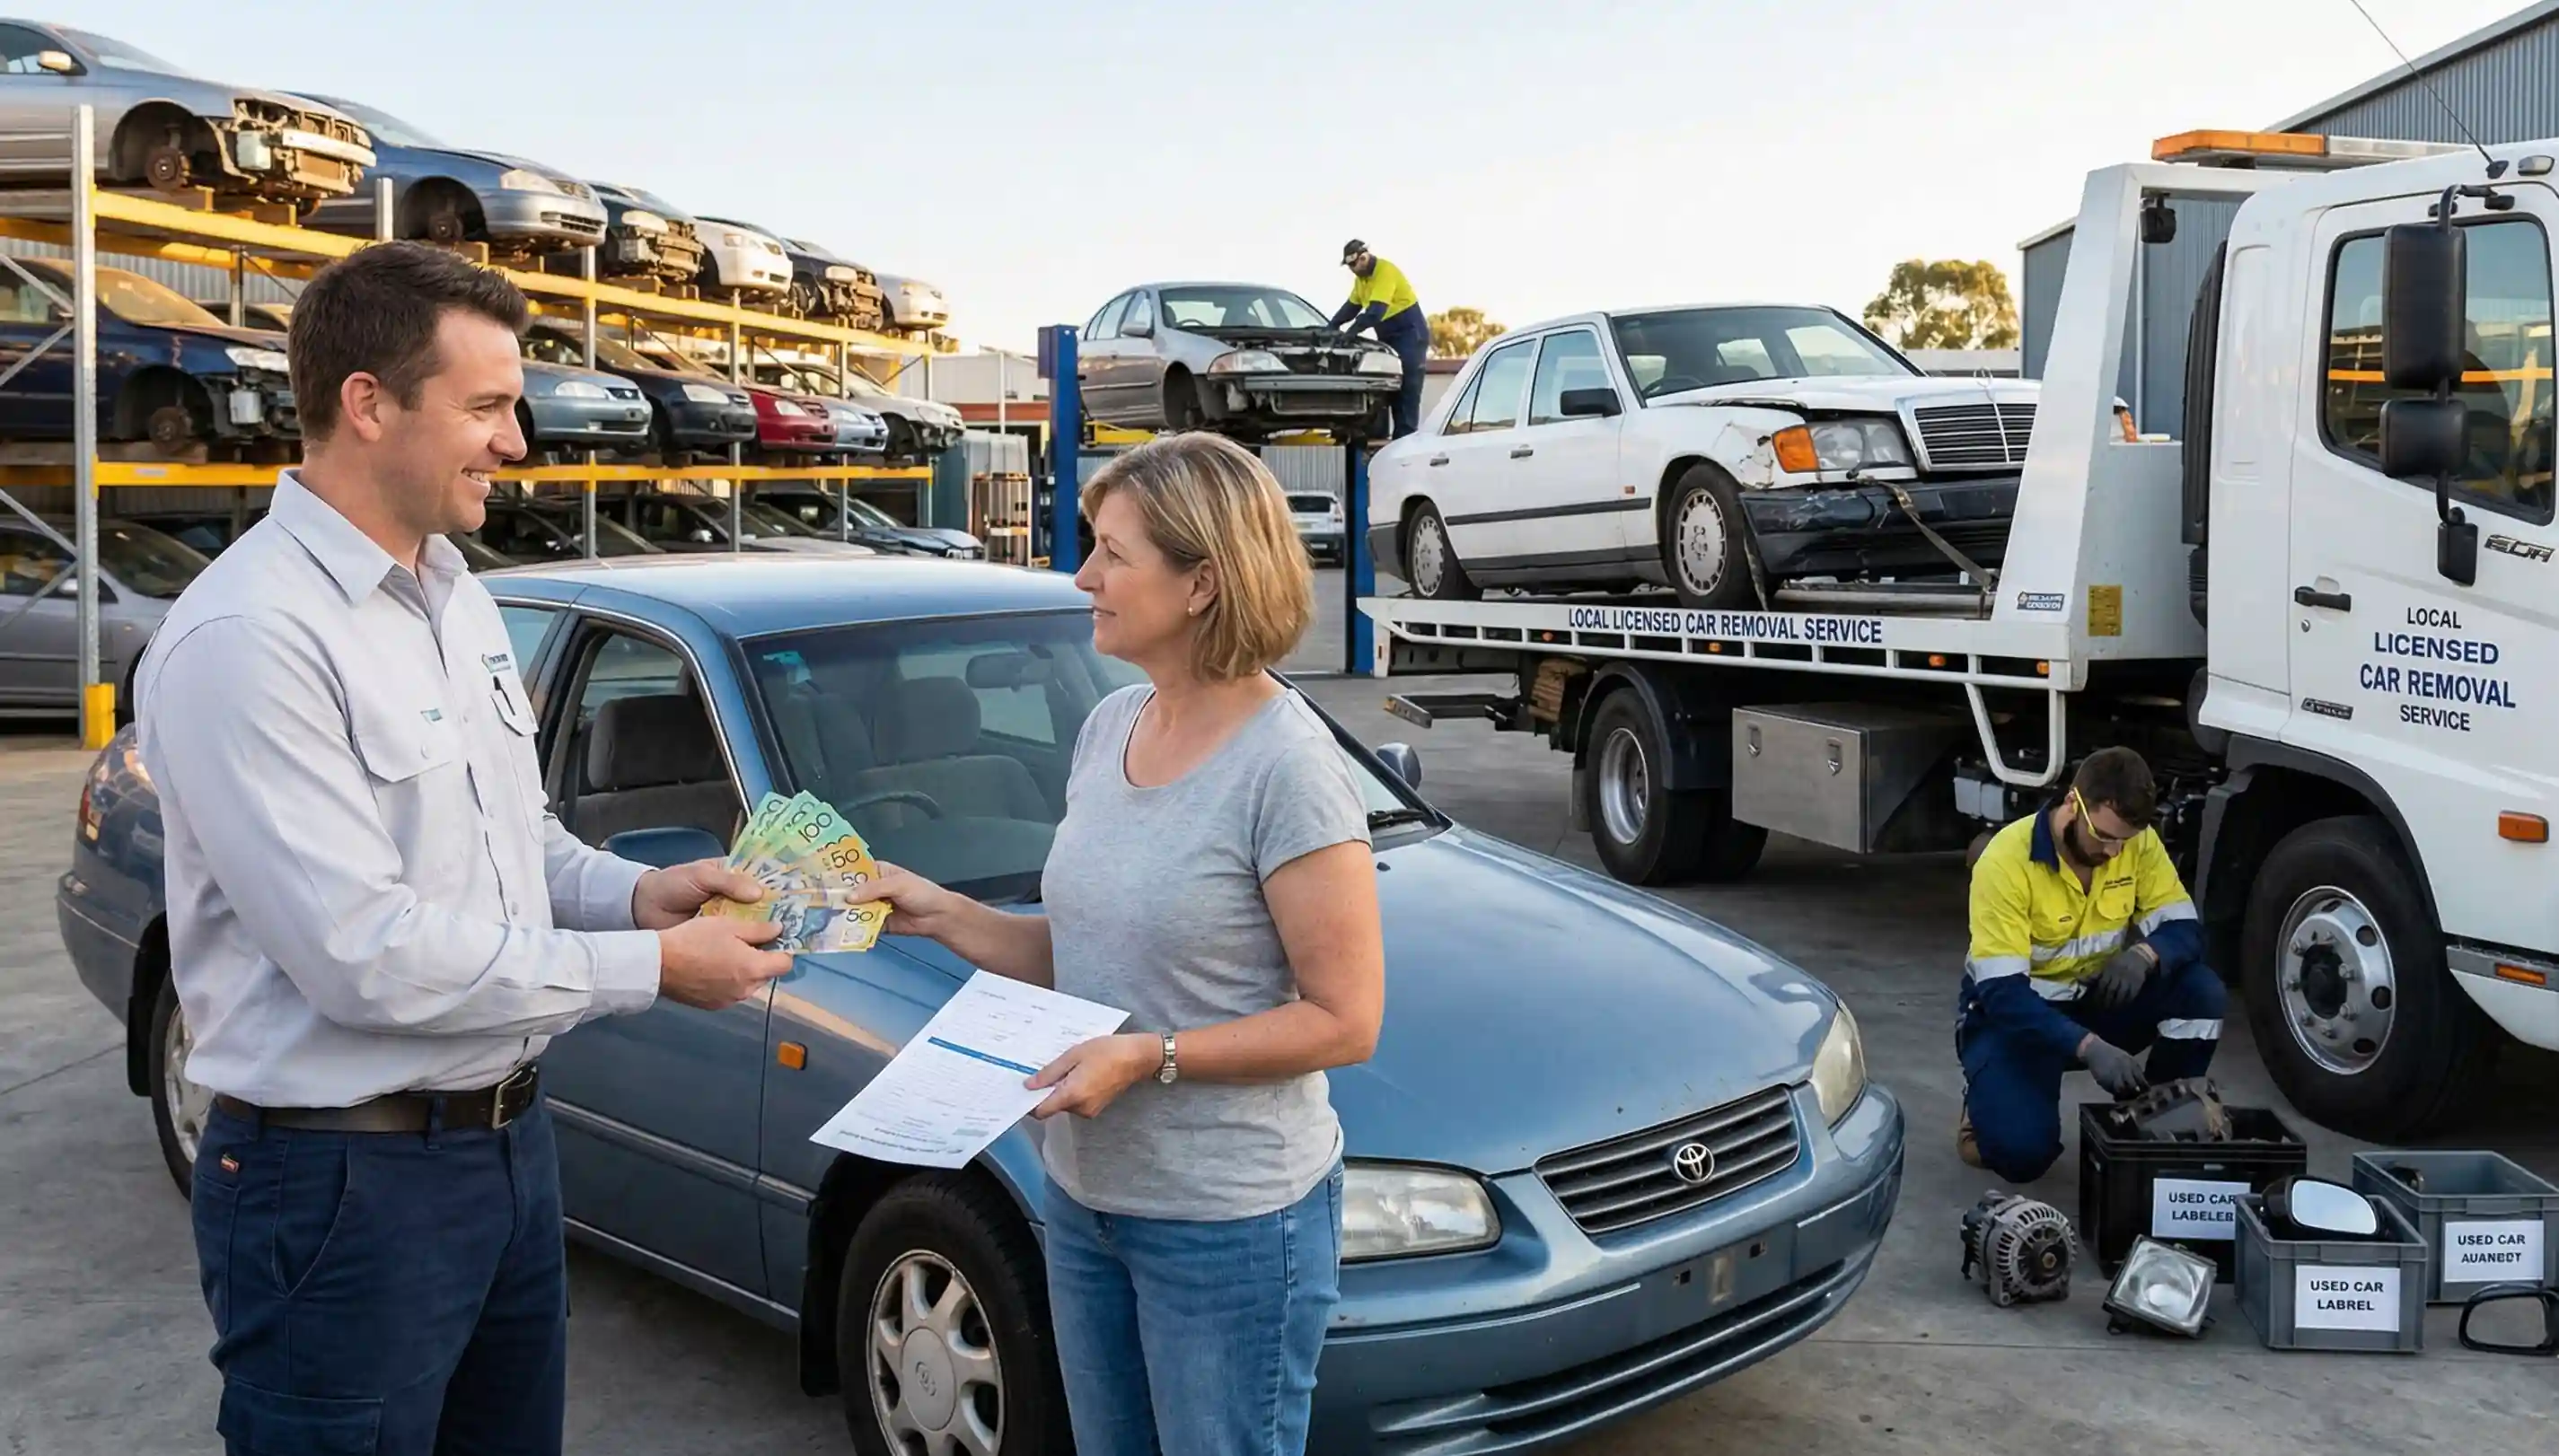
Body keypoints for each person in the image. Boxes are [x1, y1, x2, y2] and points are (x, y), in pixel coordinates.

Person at [133, 241, 795, 1456]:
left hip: (505, 1152)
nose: (518, 441)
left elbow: (514, 846)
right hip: (337, 1185)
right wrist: (657, 971)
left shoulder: (457, 595)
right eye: (487, 407)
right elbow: (364, 955)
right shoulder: (250, 637)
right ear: (368, 404)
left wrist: (641, 894)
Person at [851, 432, 1385, 1456]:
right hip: (1087, 1199)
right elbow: (1095, 950)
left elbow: (1346, 1017)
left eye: (1113, 553)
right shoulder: (1110, 727)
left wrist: (1152, 1055)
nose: (1083, 575)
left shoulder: (1288, 767)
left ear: (1203, 582)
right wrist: (943, 909)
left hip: (1228, 1226)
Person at [1956, 746, 2225, 1183]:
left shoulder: (2135, 844)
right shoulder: (2006, 862)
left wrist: (2144, 955)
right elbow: (2002, 994)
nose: (2115, 852)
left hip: (2096, 999)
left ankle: (2149, 1123)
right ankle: (1985, 1097)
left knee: (2201, 992)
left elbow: (2186, 929)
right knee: (2021, 1155)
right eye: (2103, 835)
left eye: (2125, 839)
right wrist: (2089, 1047)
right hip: (2019, 1017)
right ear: (2071, 804)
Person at [1330, 239, 1429, 438]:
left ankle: (1405, 439)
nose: (1352, 270)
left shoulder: (1385, 271)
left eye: (1353, 264)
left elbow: (1375, 312)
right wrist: (1331, 326)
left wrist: (1351, 333)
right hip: (1388, 336)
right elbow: (1351, 307)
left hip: (1409, 334)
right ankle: (1384, 438)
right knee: (1386, 387)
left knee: (1407, 389)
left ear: (1364, 257)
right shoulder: (1361, 280)